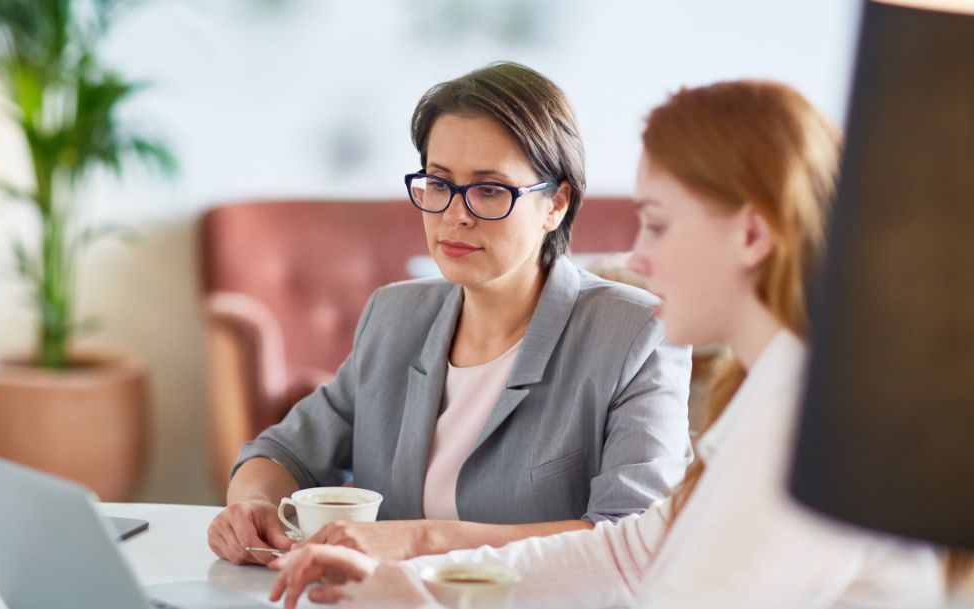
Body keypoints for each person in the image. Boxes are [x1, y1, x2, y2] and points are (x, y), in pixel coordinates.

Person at [268, 80, 946, 609]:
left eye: (654, 224)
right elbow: (630, 551)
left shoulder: (804, 431)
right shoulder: (772, 390)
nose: (636, 257)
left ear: (750, 235)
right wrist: (413, 574)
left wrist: (416, 597)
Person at [207, 62, 693, 566]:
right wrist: (252, 505)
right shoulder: (395, 314)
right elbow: (283, 452)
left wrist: (423, 541)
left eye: (489, 190)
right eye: (438, 184)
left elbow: (636, 539)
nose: (454, 214)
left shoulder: (637, 333)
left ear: (556, 204)